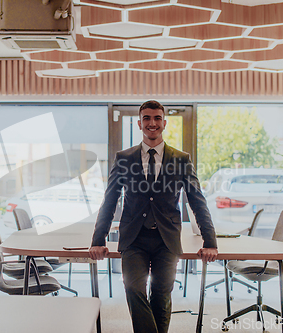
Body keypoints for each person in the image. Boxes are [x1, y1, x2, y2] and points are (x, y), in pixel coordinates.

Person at [89, 100, 218, 333]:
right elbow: (110, 200)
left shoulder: (181, 159)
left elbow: (197, 201)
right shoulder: (124, 158)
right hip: (134, 239)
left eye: (157, 118)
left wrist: (210, 242)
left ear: (164, 123)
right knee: (134, 289)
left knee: (161, 293)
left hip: (166, 240)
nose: (152, 123)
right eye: (147, 118)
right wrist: (98, 239)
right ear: (139, 123)